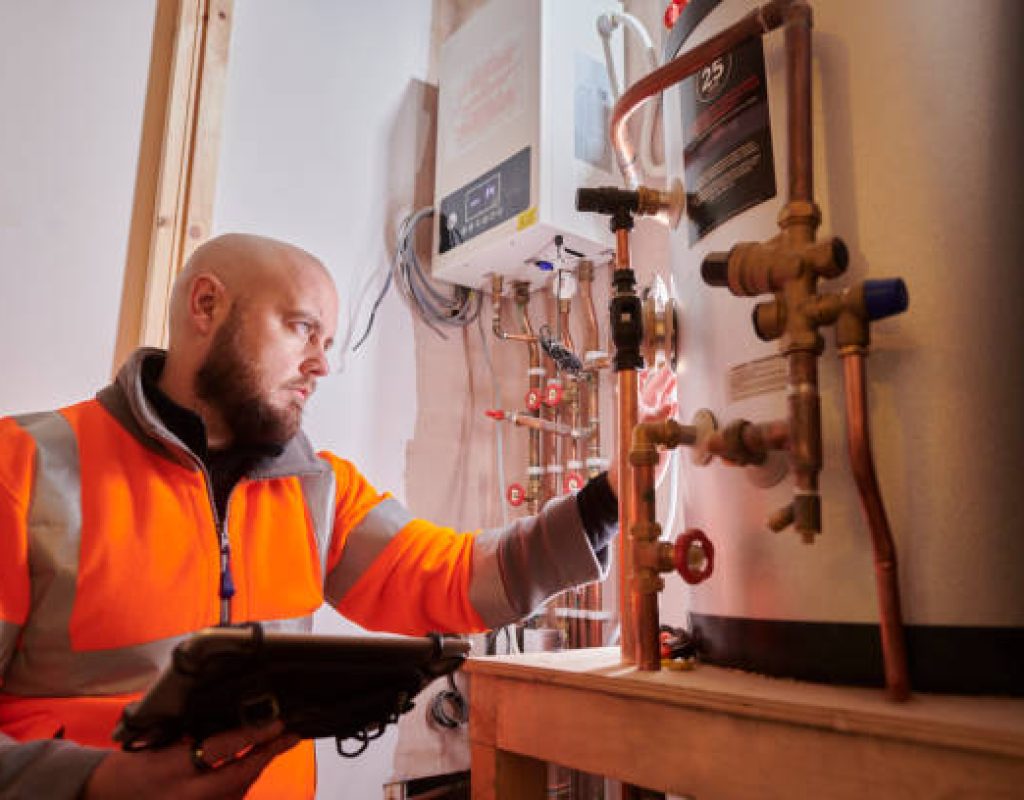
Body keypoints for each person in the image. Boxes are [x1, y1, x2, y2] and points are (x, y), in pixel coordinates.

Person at [0, 233, 625, 799]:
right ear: (206, 305)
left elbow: (456, 576)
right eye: (302, 328)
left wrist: (610, 499)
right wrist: (93, 785)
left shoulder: (318, 488)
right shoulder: (24, 466)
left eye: (326, 342)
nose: (322, 364)